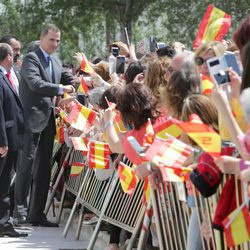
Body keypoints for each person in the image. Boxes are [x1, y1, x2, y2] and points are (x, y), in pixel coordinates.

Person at [14, 23, 75, 227]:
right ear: (41, 39)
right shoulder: (32, 59)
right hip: (30, 121)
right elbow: (36, 84)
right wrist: (60, 88)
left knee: (43, 169)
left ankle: (37, 214)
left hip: (48, 121)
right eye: (52, 40)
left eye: (58, 41)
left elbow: (71, 79)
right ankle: (20, 212)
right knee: (26, 166)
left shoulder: (56, 63)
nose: (55, 44)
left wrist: (85, 81)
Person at [0, 43, 27, 237]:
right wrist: (2, 141)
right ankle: (3, 222)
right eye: (14, 54)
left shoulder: (7, 76)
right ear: (8, 56)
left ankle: (4, 222)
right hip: (5, 140)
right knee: (3, 182)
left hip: (12, 136)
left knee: (4, 181)